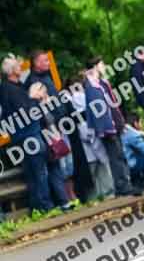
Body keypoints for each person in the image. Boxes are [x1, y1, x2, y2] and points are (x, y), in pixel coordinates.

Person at [0, 56, 69, 213]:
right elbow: (24, 113)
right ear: (11, 71)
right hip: (27, 136)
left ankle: (39, 206)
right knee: (39, 172)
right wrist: (33, 98)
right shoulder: (8, 89)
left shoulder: (16, 87)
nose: (20, 67)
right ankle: (44, 206)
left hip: (29, 134)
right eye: (17, 66)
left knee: (35, 172)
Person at [25, 50, 73, 198]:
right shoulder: (34, 82)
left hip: (59, 123)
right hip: (51, 127)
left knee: (66, 162)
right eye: (45, 60)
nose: (48, 63)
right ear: (36, 63)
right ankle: (67, 197)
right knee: (60, 162)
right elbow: (43, 108)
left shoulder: (46, 77)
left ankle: (69, 195)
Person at [84, 57, 134, 196]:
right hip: (108, 129)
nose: (104, 66)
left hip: (114, 125)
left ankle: (126, 183)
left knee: (120, 155)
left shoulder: (101, 83)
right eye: (101, 64)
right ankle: (122, 186)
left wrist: (120, 122)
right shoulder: (92, 87)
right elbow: (98, 110)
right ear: (94, 67)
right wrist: (105, 129)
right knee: (116, 157)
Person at [67, 74, 115, 201]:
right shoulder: (80, 96)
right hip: (89, 129)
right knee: (101, 165)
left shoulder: (71, 98)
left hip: (83, 130)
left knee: (93, 167)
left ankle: (94, 196)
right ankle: (107, 193)